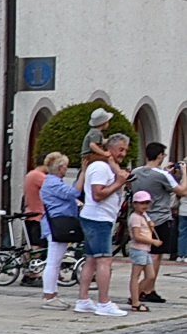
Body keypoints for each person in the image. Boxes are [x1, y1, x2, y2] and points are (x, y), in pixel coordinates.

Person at [77, 131, 130, 316]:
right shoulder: (100, 167)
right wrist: (119, 182)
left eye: (125, 150)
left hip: (97, 217)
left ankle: (83, 299)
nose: (123, 154)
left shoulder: (106, 166)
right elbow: (97, 194)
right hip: (98, 218)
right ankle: (104, 303)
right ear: (109, 148)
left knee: (91, 260)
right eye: (120, 149)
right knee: (104, 260)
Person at [128, 142, 186, 302]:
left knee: (146, 254)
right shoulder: (162, 175)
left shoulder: (136, 171)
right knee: (156, 255)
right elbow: (182, 190)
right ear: (160, 155)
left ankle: (149, 288)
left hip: (142, 217)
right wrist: (184, 172)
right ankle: (144, 289)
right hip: (160, 218)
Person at [38, 152, 80, 309]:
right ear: (61, 167)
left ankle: (52, 294)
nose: (66, 169)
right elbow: (73, 193)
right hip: (55, 225)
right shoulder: (53, 183)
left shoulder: (53, 182)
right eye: (66, 166)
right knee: (53, 262)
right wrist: (82, 175)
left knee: (55, 261)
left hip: (56, 224)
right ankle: (49, 296)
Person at [127, 191, 161, 312]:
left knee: (151, 276)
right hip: (139, 249)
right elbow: (137, 236)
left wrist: (150, 225)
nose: (145, 206)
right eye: (142, 203)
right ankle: (135, 302)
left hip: (145, 250)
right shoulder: (135, 217)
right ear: (135, 204)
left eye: (147, 203)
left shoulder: (144, 216)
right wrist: (152, 241)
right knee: (135, 276)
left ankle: (135, 295)